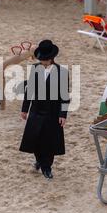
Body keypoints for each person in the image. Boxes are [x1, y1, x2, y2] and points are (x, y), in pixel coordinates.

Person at [20, 40, 70, 180]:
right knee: (35, 138)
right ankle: (39, 160)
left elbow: (65, 95)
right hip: (36, 109)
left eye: (45, 59)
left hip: (53, 112)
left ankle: (46, 167)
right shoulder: (35, 69)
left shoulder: (62, 72)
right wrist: (24, 109)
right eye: (41, 59)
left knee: (49, 141)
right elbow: (28, 90)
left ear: (51, 58)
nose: (42, 62)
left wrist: (63, 114)